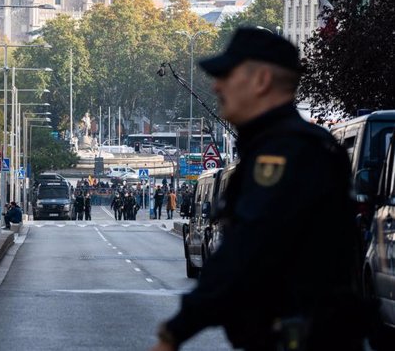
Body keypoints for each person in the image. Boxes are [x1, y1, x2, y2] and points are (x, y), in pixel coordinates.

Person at [152, 28, 370, 351]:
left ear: (261, 80)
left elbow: (246, 248)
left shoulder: (284, 154)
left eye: (227, 75)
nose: (216, 86)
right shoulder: (298, 145)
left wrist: (176, 331)